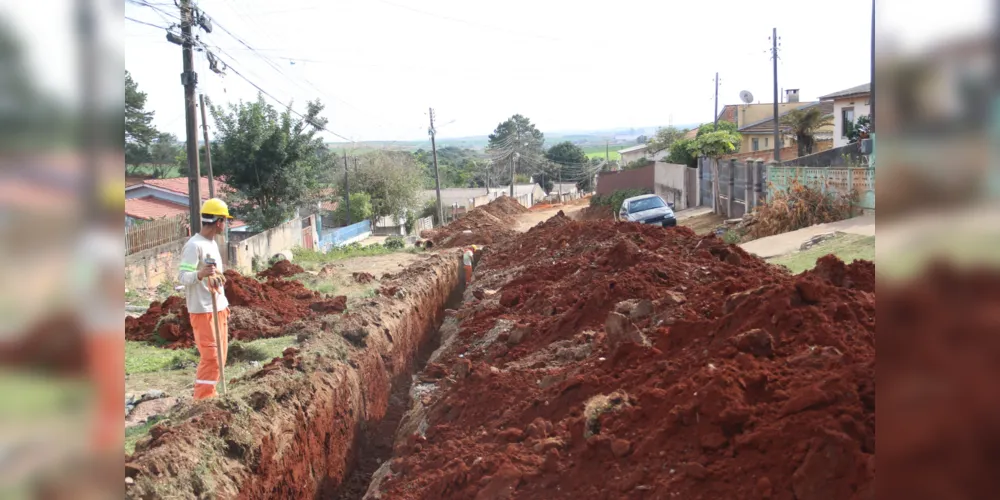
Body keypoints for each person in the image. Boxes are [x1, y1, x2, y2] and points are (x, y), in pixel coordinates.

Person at [178, 198, 232, 400]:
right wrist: (200, 274)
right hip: (202, 309)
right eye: (225, 221)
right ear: (218, 221)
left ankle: (213, 394)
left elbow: (214, 273)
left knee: (221, 357)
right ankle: (203, 399)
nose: (225, 225)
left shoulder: (211, 244)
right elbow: (183, 277)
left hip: (219, 306)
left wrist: (215, 275)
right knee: (212, 358)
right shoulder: (194, 246)